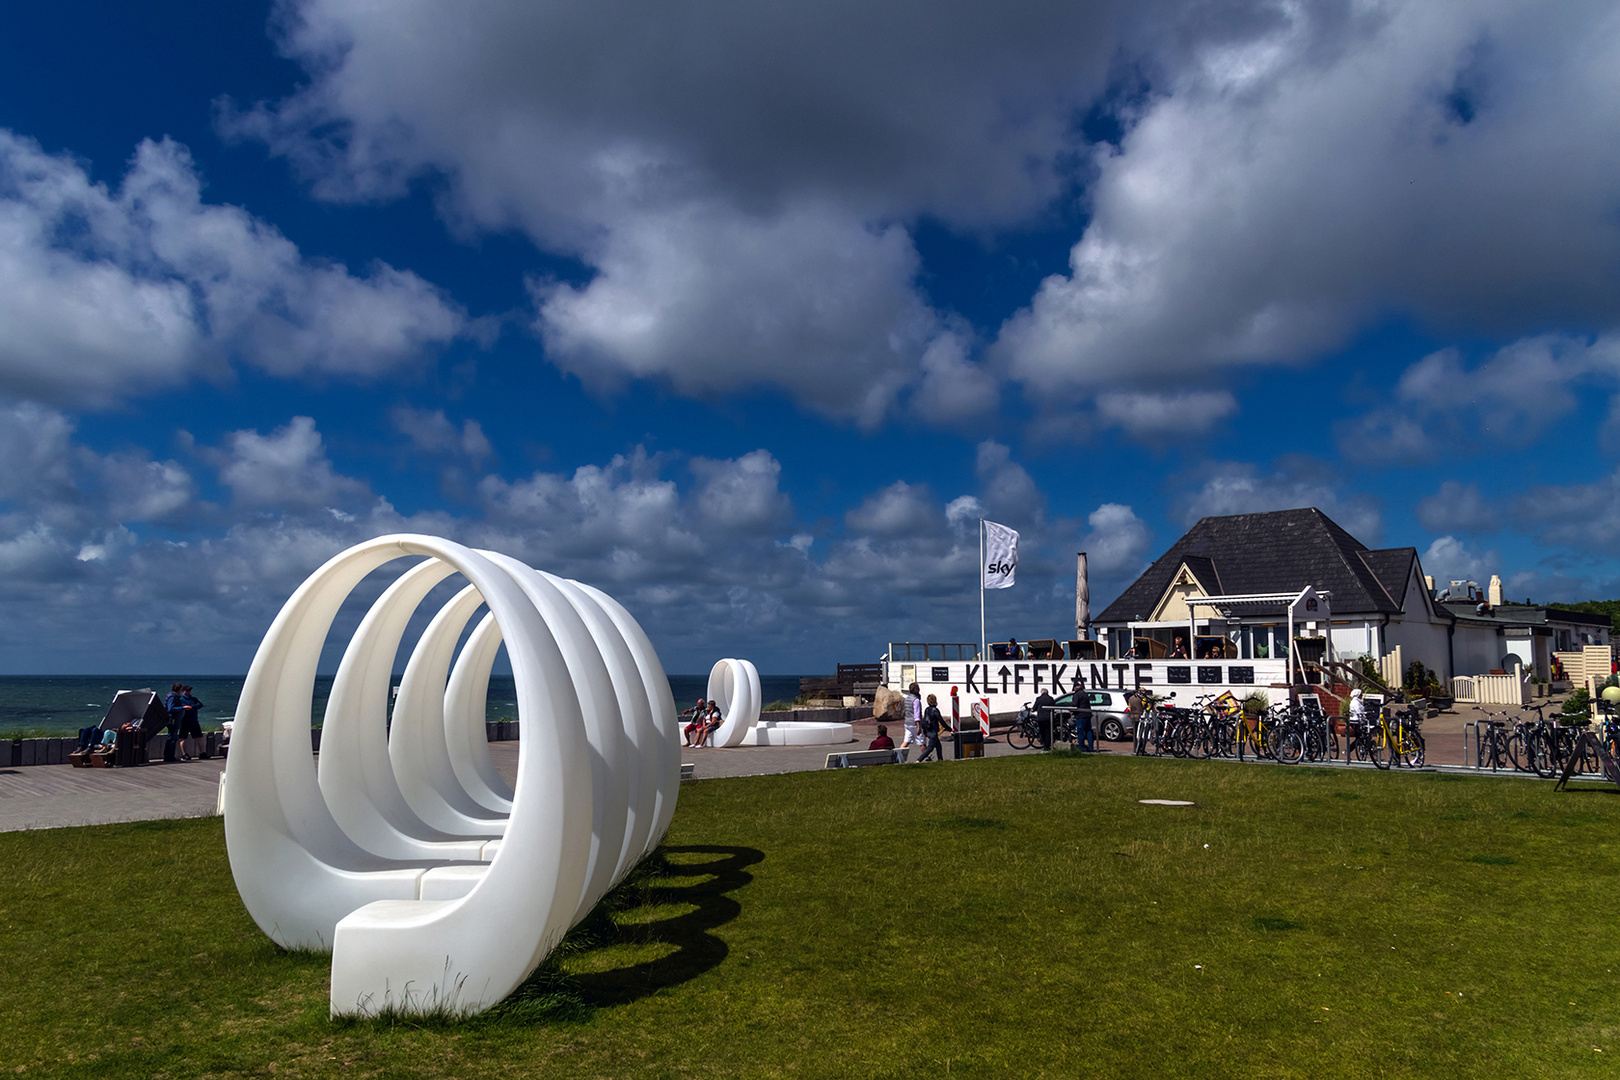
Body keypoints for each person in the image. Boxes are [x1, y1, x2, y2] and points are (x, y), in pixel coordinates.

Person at [177, 685, 205, 760]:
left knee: (199, 737)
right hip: (184, 720)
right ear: (183, 691)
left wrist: (191, 706)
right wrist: (187, 707)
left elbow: (200, 705)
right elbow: (182, 707)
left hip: (194, 720)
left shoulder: (193, 699)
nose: (188, 692)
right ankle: (184, 753)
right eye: (187, 691)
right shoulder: (181, 699)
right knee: (183, 737)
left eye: (189, 691)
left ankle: (202, 753)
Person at [161, 682, 185, 763]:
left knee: (173, 738)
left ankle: (171, 755)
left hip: (175, 720)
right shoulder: (173, 696)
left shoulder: (175, 696)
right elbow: (170, 708)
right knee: (171, 738)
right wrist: (182, 707)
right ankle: (168, 756)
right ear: (179, 689)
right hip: (173, 720)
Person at [916, 694, 945, 762]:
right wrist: (949, 729)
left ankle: (940, 760)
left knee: (938, 747)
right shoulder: (935, 710)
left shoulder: (927, 709)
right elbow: (941, 721)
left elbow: (925, 720)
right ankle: (918, 760)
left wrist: (925, 732)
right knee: (930, 748)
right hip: (933, 732)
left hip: (928, 731)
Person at [901, 682, 922, 750]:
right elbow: (917, 714)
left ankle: (898, 754)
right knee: (921, 742)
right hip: (914, 724)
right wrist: (919, 726)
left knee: (906, 741)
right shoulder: (916, 700)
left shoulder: (907, 699)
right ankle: (926, 756)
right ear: (916, 690)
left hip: (907, 723)